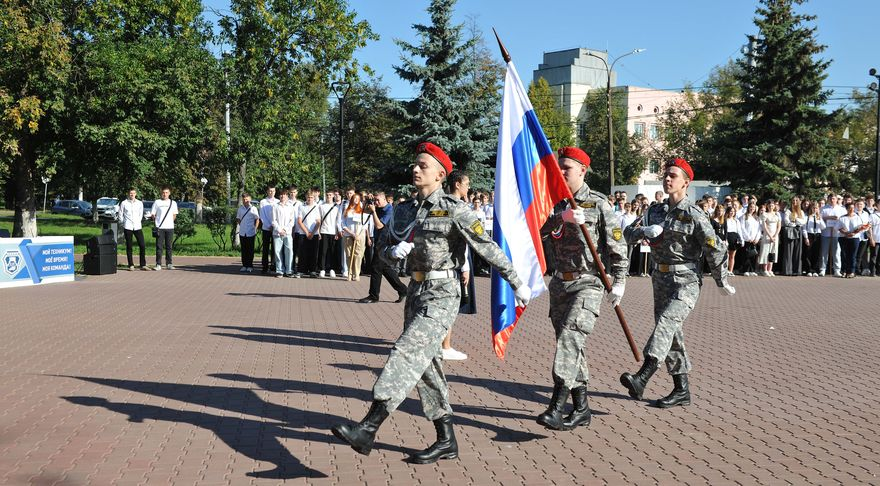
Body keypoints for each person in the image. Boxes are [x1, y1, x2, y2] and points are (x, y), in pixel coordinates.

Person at [331, 142, 530, 464]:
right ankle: (446, 439)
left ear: (440, 174)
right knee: (426, 366)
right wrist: (391, 253)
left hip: (443, 293)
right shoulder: (406, 210)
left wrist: (516, 282)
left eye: (423, 165)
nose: (415, 169)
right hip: (416, 292)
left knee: (407, 351)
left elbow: (486, 246)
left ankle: (369, 426)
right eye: (415, 164)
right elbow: (386, 248)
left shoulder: (454, 207)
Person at [621, 158, 734, 408]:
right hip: (660, 278)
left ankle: (643, 376)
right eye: (666, 175)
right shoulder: (653, 211)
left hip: (686, 280)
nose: (668, 179)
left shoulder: (694, 214)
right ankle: (681, 390)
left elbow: (713, 247)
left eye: (673, 175)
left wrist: (721, 279)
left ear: (686, 182)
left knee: (666, 323)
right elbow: (627, 233)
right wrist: (643, 232)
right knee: (672, 334)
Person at [536, 147, 628, 430]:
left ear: (582, 171)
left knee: (569, 338)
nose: (561, 172)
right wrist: (560, 219)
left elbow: (617, 244)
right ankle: (582, 408)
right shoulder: (555, 204)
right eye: (559, 167)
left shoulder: (599, 204)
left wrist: (620, 280)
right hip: (560, 284)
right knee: (571, 344)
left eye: (567, 168)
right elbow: (537, 231)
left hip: (588, 282)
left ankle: (556, 405)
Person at [359, 191, 408, 303]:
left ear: (384, 199)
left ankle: (373, 296)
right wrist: (367, 201)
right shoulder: (377, 207)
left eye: (378, 200)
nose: (376, 202)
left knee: (376, 268)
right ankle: (403, 290)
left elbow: (379, 225)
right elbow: (365, 211)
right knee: (385, 268)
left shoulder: (389, 210)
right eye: (375, 200)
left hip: (386, 242)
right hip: (379, 241)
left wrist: (374, 211)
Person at [118, 189, 147, 271]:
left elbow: (141, 214)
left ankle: (143, 264)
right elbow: (120, 214)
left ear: (136, 194)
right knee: (129, 246)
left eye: (133, 193)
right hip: (128, 226)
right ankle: (131, 264)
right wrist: (124, 223)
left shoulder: (139, 203)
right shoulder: (124, 203)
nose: (132, 194)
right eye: (131, 193)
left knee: (142, 245)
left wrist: (138, 221)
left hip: (137, 226)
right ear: (128, 194)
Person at [149, 187, 178, 270]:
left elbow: (174, 215)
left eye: (166, 192)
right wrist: (156, 223)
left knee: (169, 246)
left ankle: (169, 263)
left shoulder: (173, 203)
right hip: (160, 228)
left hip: (169, 227)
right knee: (159, 246)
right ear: (161, 193)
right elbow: (153, 214)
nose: (165, 194)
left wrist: (169, 222)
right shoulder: (157, 202)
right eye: (163, 192)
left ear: (169, 193)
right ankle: (158, 264)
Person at [341, 193, 368, 282]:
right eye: (354, 198)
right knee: (349, 254)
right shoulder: (347, 210)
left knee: (358, 254)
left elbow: (365, 224)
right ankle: (350, 273)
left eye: (357, 198)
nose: (356, 200)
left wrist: (358, 234)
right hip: (349, 234)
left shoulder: (362, 210)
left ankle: (356, 274)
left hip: (359, 234)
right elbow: (343, 223)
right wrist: (351, 233)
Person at [838, 202, 868, 278]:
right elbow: (839, 227)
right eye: (849, 208)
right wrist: (846, 233)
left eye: (852, 208)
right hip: (843, 238)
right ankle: (844, 271)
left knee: (853, 255)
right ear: (846, 209)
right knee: (844, 255)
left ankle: (852, 271)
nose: (851, 209)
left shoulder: (857, 217)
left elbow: (860, 227)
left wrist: (854, 233)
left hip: (854, 238)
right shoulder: (842, 217)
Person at [296, 191, 322, 277]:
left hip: (314, 233)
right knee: (302, 252)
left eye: (311, 197)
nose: (309, 199)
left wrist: (313, 232)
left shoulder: (317, 207)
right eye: (308, 197)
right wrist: (307, 232)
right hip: (303, 233)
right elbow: (299, 221)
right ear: (305, 197)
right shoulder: (301, 207)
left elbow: (318, 222)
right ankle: (301, 270)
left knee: (313, 253)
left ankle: (312, 270)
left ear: (314, 198)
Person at [271, 190, 296, 278]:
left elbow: (292, 221)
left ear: (287, 196)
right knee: (278, 252)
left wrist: (285, 229)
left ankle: (288, 270)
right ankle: (279, 270)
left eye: (284, 195)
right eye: (281, 195)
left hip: (287, 233)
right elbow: (273, 220)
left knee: (289, 251)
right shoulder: (275, 206)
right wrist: (279, 230)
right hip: (277, 233)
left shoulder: (290, 207)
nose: (282, 196)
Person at [819, 194, 845, 277]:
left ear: (837, 199)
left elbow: (844, 219)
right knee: (824, 252)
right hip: (825, 233)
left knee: (836, 252)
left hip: (836, 234)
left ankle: (837, 270)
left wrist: (838, 219)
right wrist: (829, 217)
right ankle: (822, 269)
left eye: (833, 198)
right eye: (830, 198)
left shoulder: (841, 209)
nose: (832, 200)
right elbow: (819, 218)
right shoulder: (823, 208)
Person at [317, 191, 341, 278]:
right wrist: (318, 232)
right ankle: (322, 269)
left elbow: (338, 220)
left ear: (334, 196)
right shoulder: (321, 206)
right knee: (323, 251)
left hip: (333, 232)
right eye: (327, 195)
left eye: (330, 195)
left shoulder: (337, 207)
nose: (328, 196)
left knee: (332, 251)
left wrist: (338, 232)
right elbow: (319, 220)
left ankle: (332, 269)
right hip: (324, 231)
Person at [780, 196, 806, 276]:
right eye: (793, 200)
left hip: (798, 231)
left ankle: (796, 270)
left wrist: (796, 220)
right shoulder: (788, 211)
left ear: (799, 202)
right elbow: (786, 221)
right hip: (790, 231)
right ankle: (788, 270)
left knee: (798, 250)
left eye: (796, 200)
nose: (794, 202)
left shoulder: (801, 211)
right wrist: (794, 223)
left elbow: (803, 221)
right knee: (789, 251)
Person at [236, 193, 260, 272]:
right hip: (242, 232)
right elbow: (238, 218)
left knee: (250, 249)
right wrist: (242, 225)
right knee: (244, 249)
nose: (245, 201)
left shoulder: (253, 208)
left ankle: (250, 265)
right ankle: (244, 265)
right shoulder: (240, 209)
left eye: (246, 199)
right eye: (244, 199)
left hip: (251, 232)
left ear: (250, 199)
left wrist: (255, 228)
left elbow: (257, 219)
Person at [258, 186, 278, 274]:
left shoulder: (278, 201)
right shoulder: (263, 202)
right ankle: (265, 266)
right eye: (270, 191)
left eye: (273, 191)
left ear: (275, 191)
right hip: (266, 228)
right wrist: (268, 225)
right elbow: (262, 216)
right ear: (267, 191)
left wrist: (274, 225)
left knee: (275, 248)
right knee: (265, 248)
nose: (271, 192)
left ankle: (273, 265)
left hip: (275, 228)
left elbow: (278, 215)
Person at [758, 200, 780, 277]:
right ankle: (765, 269)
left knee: (773, 252)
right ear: (767, 206)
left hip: (775, 236)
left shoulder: (777, 214)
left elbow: (779, 226)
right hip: (767, 235)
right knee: (766, 252)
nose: (771, 207)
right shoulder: (765, 214)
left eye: (772, 205)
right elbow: (764, 226)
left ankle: (770, 269)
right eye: (770, 205)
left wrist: (775, 235)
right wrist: (770, 236)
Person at [802, 201, 825, 277]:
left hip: (817, 235)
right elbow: (804, 228)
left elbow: (823, 227)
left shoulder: (818, 217)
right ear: (811, 208)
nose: (815, 209)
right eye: (814, 208)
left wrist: (820, 218)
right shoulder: (807, 217)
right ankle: (808, 270)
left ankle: (814, 269)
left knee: (816, 253)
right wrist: (806, 238)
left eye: (816, 208)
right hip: (809, 235)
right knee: (808, 253)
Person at [723, 206, 742, 274]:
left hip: (734, 237)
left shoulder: (736, 221)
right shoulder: (725, 220)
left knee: (732, 256)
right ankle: (724, 270)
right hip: (727, 236)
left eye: (733, 211)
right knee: (726, 255)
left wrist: (741, 239)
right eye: (731, 211)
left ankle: (730, 270)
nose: (732, 213)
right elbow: (724, 230)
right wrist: (725, 239)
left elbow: (739, 230)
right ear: (728, 212)